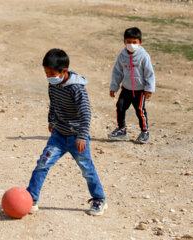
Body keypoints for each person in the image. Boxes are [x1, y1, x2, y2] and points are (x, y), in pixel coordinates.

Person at [26, 48, 107, 216]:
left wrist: (82, 136)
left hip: (78, 138)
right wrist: (51, 121)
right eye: (46, 73)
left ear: (64, 71)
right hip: (58, 136)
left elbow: (86, 114)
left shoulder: (77, 88)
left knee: (87, 169)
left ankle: (99, 199)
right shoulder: (53, 84)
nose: (49, 76)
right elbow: (53, 104)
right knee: (42, 164)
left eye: (52, 73)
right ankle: (31, 198)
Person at [108, 27, 155, 144]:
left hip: (139, 90)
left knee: (140, 110)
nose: (131, 45)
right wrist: (114, 87)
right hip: (126, 89)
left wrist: (149, 89)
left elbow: (149, 73)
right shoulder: (122, 56)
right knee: (120, 107)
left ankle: (144, 132)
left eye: (134, 42)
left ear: (140, 42)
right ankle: (121, 130)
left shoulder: (144, 56)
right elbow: (117, 72)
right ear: (124, 42)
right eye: (128, 42)